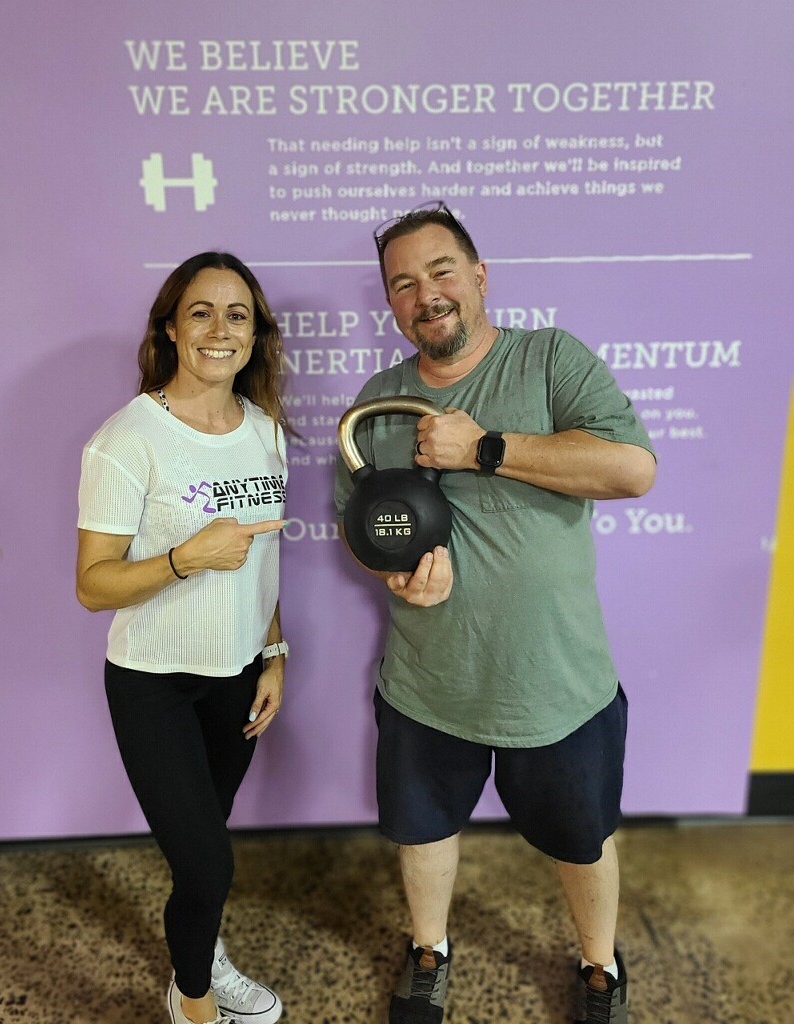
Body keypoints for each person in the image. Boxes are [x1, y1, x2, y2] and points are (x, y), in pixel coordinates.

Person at [334, 202, 656, 1024]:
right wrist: (394, 577)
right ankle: (429, 952)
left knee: (582, 839)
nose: (426, 295)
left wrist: (486, 448)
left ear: (479, 277)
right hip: (428, 683)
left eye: (441, 271)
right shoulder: (377, 403)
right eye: (403, 284)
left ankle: (599, 965)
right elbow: (359, 529)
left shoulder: (548, 359)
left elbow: (631, 469)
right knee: (423, 832)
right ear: (390, 302)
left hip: (556, 682)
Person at [77, 251, 288, 1024]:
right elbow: (92, 584)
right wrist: (184, 558)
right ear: (171, 327)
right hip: (153, 683)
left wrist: (274, 651)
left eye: (237, 315)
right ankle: (193, 997)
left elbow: (263, 560)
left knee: (205, 851)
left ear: (255, 333)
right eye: (201, 312)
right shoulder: (126, 439)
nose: (219, 329)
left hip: (237, 677)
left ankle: (200, 952)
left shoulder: (266, 430)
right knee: (207, 866)